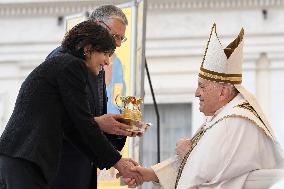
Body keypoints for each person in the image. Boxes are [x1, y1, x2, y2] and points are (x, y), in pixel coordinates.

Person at [122, 23, 284, 188]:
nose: (196, 93)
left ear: (222, 92)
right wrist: (150, 174)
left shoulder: (234, 122)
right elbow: (203, 169)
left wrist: (187, 154)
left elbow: (200, 176)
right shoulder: (222, 117)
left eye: (202, 87)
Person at [0, 20, 142, 189]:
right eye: (105, 53)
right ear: (87, 49)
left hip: (20, 159)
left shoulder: (64, 64)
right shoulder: (71, 66)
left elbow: (74, 129)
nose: (107, 62)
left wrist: (115, 161)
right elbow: (83, 123)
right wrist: (118, 162)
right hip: (26, 158)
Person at [46, 5, 132, 189]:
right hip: (60, 168)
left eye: (121, 39)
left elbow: (94, 119)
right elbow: (66, 121)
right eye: (115, 36)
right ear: (97, 25)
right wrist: (117, 161)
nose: (117, 44)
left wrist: (119, 129)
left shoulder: (98, 67)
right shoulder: (63, 60)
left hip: (84, 169)